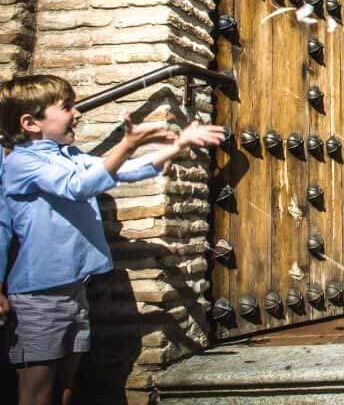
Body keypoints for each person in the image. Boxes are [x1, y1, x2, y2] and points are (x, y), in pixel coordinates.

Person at [0, 74, 225, 405]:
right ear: (30, 122)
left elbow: (127, 170)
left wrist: (177, 145)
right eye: (67, 107)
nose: (77, 113)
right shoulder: (22, 162)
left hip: (75, 289)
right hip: (38, 298)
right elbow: (78, 186)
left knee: (65, 386)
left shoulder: (68, 155)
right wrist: (126, 143)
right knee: (36, 391)